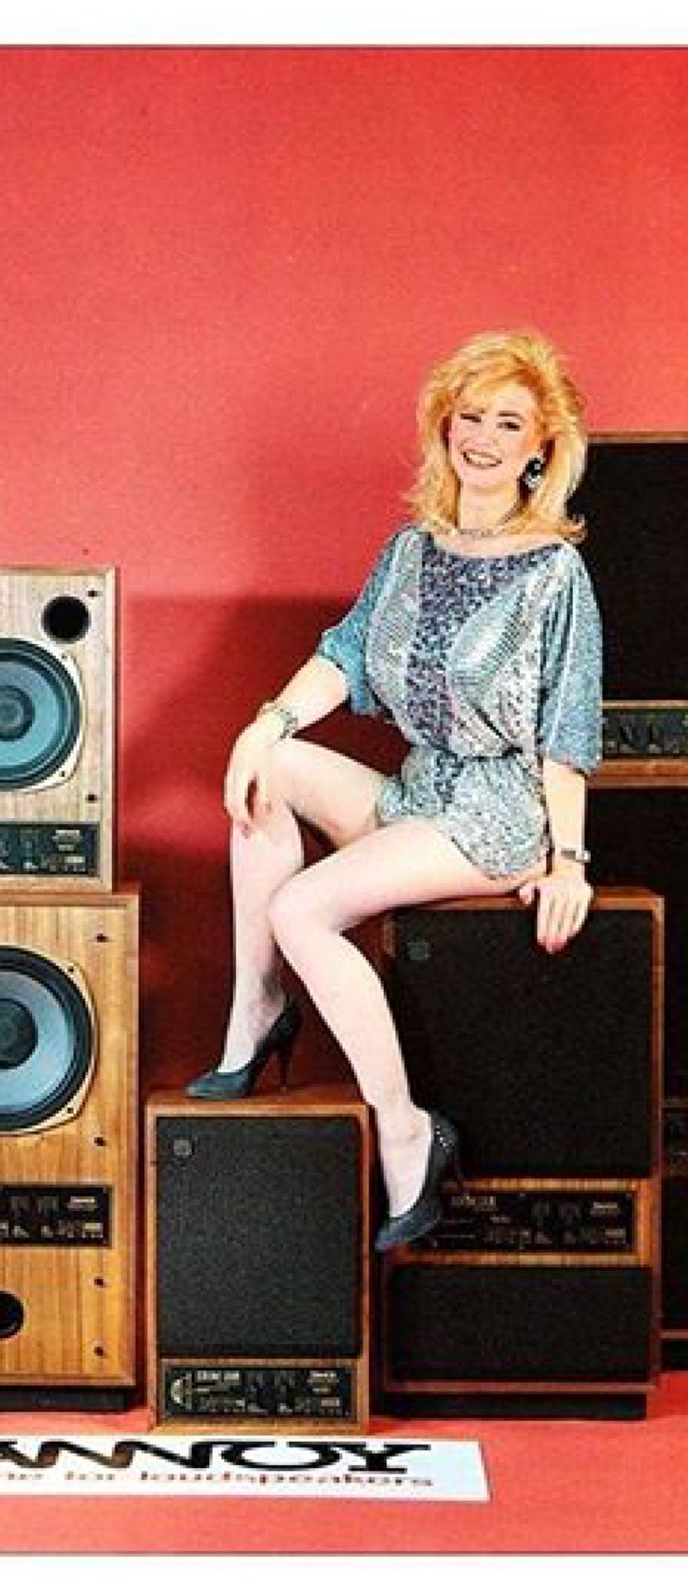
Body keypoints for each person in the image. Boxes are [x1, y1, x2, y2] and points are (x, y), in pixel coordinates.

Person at [187, 329, 603, 1251]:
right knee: (269, 768)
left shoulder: (553, 573)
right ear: (444, 426)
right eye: (470, 417)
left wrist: (569, 861)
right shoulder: (412, 548)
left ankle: (408, 1130)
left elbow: (568, 731)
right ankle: (258, 1007)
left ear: (541, 448)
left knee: (302, 909)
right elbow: (341, 658)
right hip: (416, 794)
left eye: (509, 424)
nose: (483, 439)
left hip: (495, 817)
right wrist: (266, 725)